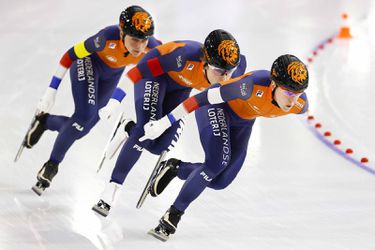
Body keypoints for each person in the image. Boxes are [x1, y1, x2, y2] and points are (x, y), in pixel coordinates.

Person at [141, 54, 309, 241]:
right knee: (216, 163)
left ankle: (175, 168)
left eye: (298, 94)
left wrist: (294, 95)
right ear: (273, 84)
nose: (293, 100)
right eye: (288, 93)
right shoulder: (248, 87)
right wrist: (164, 123)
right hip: (216, 108)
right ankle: (172, 215)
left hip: (243, 122)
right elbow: (200, 99)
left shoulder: (300, 105)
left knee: (220, 181)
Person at [92, 29, 247, 217]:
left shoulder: (235, 67)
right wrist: (114, 102)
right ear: (205, 62)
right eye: (218, 71)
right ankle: (113, 186)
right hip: (155, 76)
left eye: (228, 72)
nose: (224, 78)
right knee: (144, 133)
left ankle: (128, 128)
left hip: (181, 87)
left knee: (159, 147)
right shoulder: (183, 57)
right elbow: (136, 73)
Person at [24, 5, 161, 195]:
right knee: (84, 115)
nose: (140, 46)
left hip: (111, 76)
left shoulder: (153, 47)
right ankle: (51, 165)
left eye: (144, 40)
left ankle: (45, 121)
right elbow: (70, 55)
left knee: (81, 130)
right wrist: (51, 90)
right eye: (135, 40)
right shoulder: (105, 38)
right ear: (122, 32)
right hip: (88, 63)